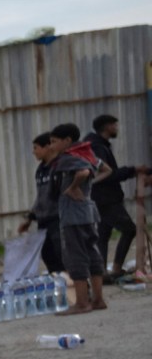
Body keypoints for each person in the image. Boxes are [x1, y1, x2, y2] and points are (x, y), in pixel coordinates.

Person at [46, 123, 105, 312]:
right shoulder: (86, 152)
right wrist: (85, 187)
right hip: (88, 211)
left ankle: (81, 302)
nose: (52, 146)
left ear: (68, 141)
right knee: (92, 254)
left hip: (73, 214)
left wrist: (72, 188)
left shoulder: (68, 157)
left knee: (76, 256)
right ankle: (98, 299)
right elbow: (104, 169)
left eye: (54, 142)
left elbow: (84, 172)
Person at [83, 114, 138, 285]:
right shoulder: (98, 147)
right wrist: (132, 170)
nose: (116, 128)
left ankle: (101, 274)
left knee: (103, 235)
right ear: (106, 127)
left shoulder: (97, 145)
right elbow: (107, 175)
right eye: (114, 125)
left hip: (101, 198)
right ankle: (115, 269)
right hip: (106, 198)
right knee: (129, 229)